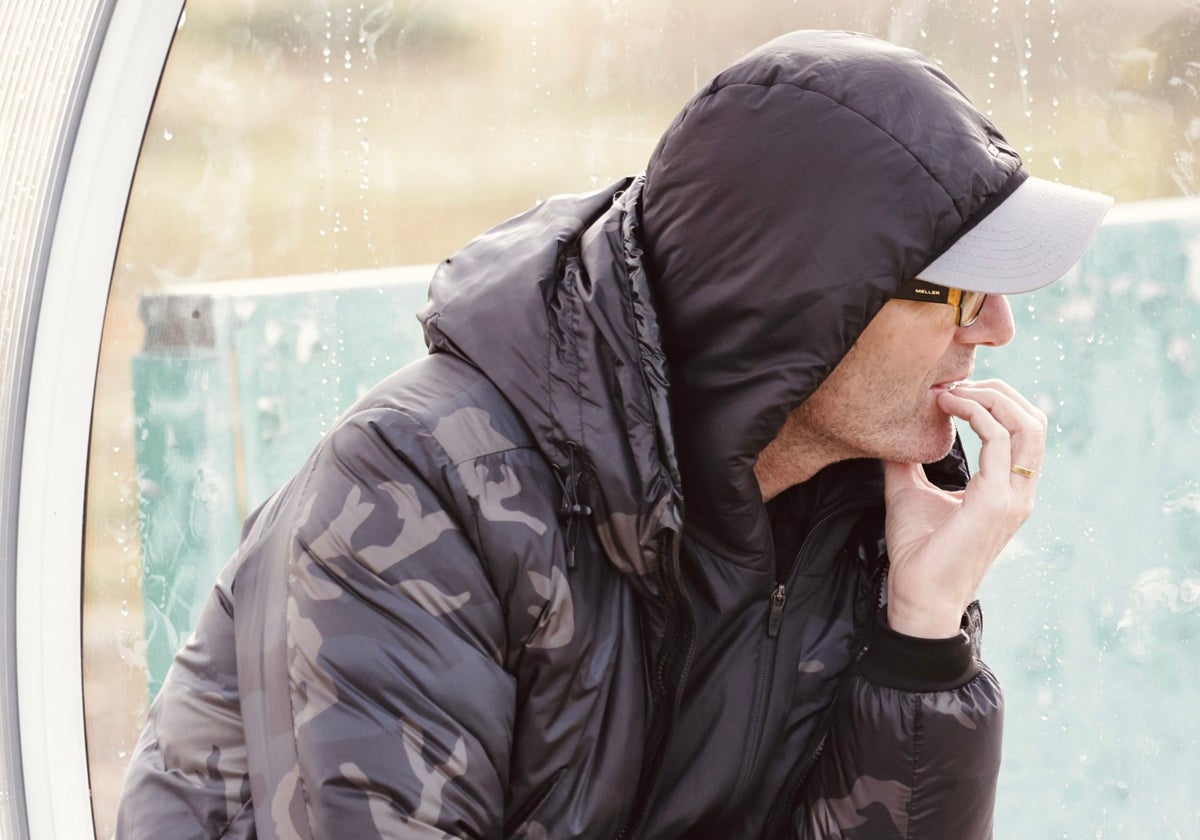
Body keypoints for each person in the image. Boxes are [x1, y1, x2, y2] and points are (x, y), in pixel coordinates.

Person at [116, 30, 1112, 839]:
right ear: (806, 295)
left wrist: (921, 640)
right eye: (957, 289)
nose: (996, 326)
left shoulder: (856, 515)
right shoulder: (421, 494)